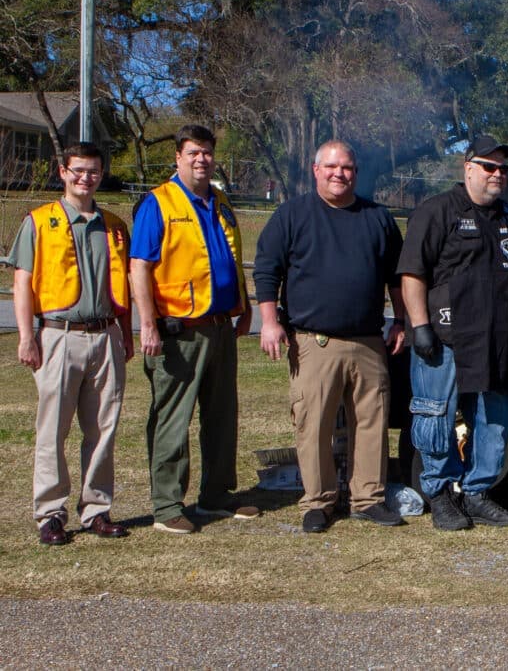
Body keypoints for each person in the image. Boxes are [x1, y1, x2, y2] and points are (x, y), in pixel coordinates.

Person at [254, 140, 408, 534]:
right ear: (315, 169)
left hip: (369, 341)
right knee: (314, 424)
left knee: (372, 423)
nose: (340, 174)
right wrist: (269, 322)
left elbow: (396, 278)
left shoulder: (378, 218)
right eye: (332, 167)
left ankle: (368, 499)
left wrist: (402, 320)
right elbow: (268, 272)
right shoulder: (292, 215)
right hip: (314, 342)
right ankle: (318, 502)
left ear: (356, 172)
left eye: (348, 168)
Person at [130, 124, 257, 534]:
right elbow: (140, 267)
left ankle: (216, 495)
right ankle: (167, 505)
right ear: (178, 158)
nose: (201, 159)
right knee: (173, 417)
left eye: (206, 153)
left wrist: (246, 304)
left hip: (220, 326)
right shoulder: (158, 203)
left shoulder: (219, 201)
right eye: (192, 153)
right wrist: (147, 323)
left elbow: (230, 257)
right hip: (179, 330)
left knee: (222, 415)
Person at [10, 143, 135, 545]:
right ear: (63, 172)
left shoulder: (114, 225)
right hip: (58, 336)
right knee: (53, 430)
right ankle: (49, 513)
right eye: (78, 170)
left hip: (106, 336)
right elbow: (21, 284)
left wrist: (126, 334)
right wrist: (27, 337)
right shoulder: (39, 222)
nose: (86, 177)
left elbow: (126, 286)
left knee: (103, 429)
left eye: (93, 171)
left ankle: (96, 510)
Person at [398, 135, 508, 531]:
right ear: (467, 168)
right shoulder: (436, 212)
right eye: (489, 166)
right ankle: (440, 494)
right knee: (436, 417)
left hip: (495, 341)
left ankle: (478, 492)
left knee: (494, 421)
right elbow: (413, 273)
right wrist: (419, 327)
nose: (497, 174)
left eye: (503, 168)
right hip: (445, 339)